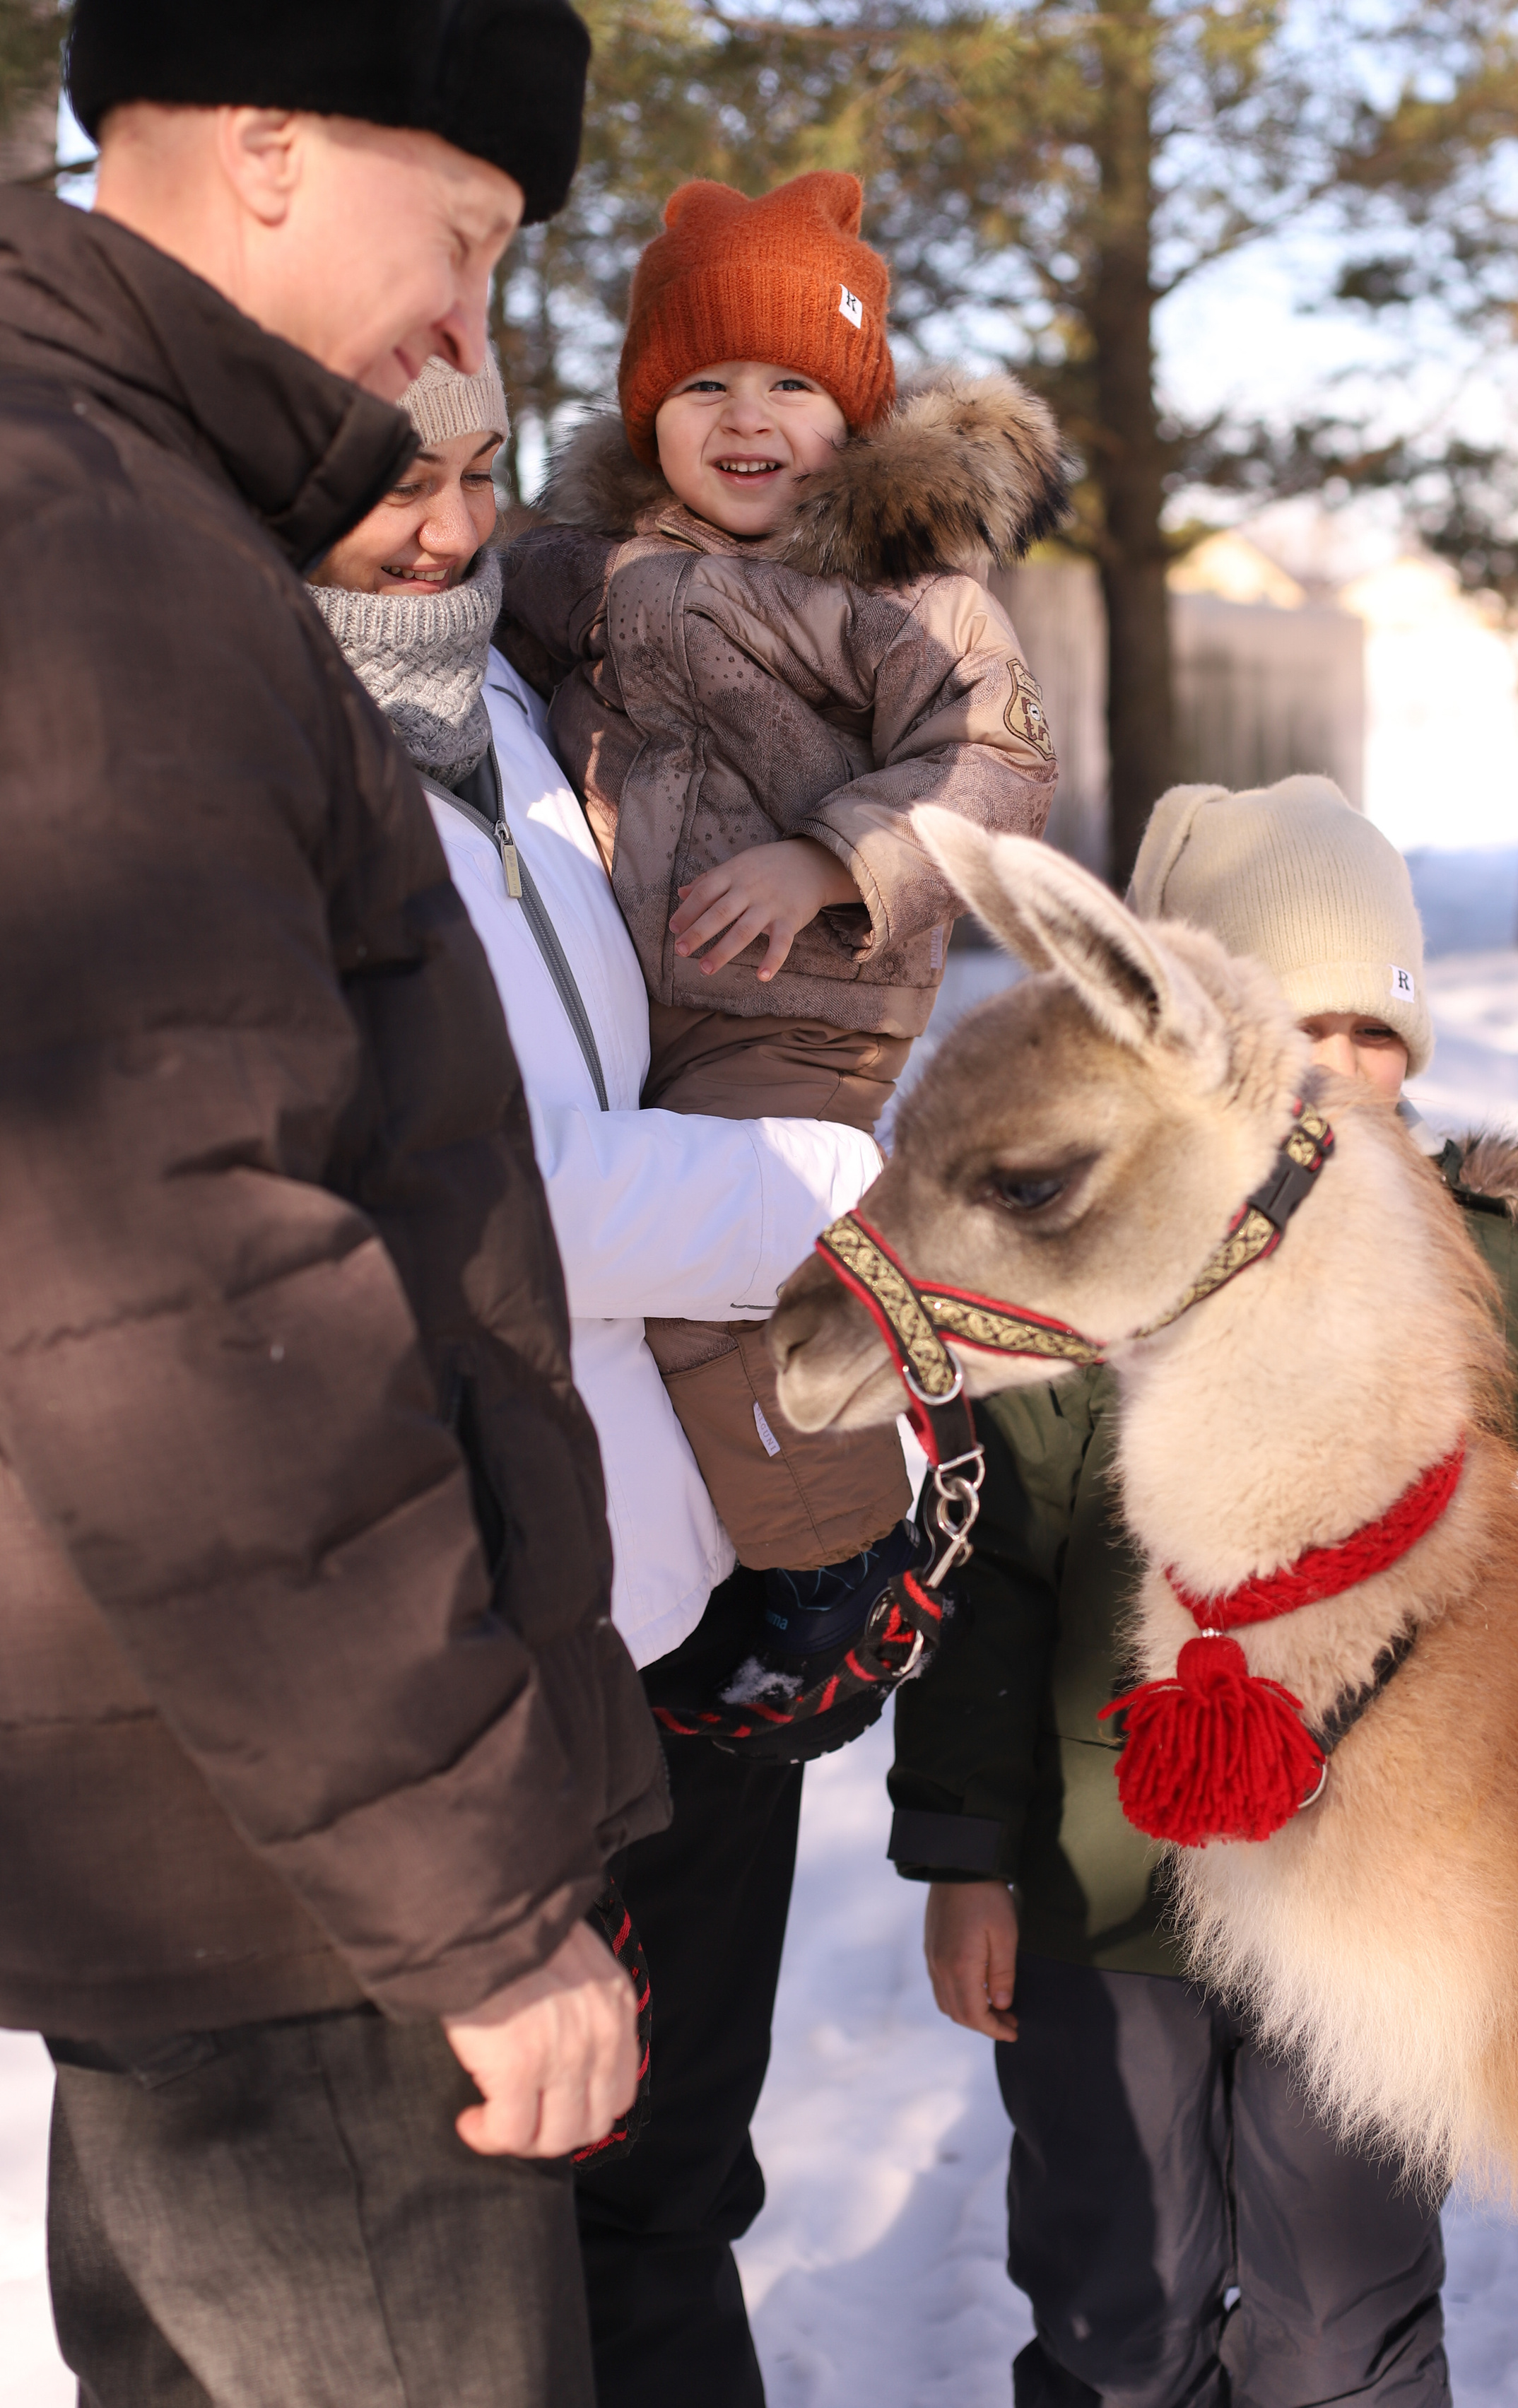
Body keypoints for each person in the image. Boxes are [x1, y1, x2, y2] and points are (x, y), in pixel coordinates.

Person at [0, 8, 669, 2404]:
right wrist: (480, 1909)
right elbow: (191, 1299)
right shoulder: (88, 540)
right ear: (270, 145)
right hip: (303, 1899)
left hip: (225, 1835)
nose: (473, 331)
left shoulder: (124, 502)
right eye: (467, 235)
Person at [889, 774, 1518, 2408]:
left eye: (1375, 1033)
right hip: (1109, 1899)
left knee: (1344, 2308)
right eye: (1294, 1028)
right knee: (1119, 2300)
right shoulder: (1077, 1289)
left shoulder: (1468, 1260)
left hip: (1377, 1888)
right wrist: (964, 1852)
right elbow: (994, 1577)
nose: (1340, 1072)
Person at [310, 347, 888, 2404]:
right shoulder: (256, 756)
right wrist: (829, 1194)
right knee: (480, 2249)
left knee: (668, 2189)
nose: (451, 525)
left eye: (479, 471)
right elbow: (449, 1188)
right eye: (398, 480)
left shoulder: (523, 716)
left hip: (669, 1596)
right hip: (454, 1635)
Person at [502, 169, 1070, 1686]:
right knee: (614, 1304)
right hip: (629, 1009)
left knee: (717, 1294)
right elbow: (447, 594)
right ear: (645, 411)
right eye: (702, 382)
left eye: (791, 384)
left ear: (856, 415)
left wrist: (828, 860)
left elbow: (996, 767)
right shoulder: (584, 567)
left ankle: (833, 1566)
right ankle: (681, 1557)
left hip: (804, 1014)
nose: (745, 416)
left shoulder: (898, 582)